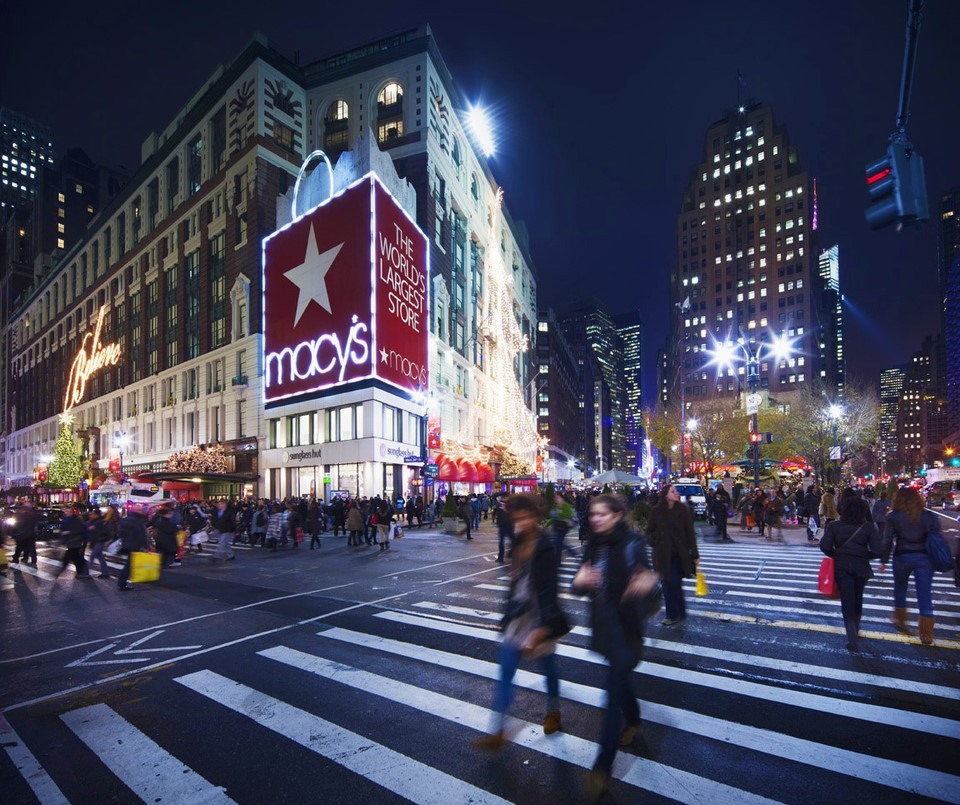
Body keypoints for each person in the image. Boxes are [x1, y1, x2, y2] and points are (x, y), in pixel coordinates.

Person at [571, 494, 651, 801]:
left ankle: (602, 768)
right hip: (604, 628)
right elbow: (578, 584)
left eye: (602, 514)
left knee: (610, 694)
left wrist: (646, 585)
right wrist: (580, 582)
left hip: (626, 630)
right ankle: (633, 718)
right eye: (593, 514)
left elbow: (650, 583)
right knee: (620, 686)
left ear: (618, 515)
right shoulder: (594, 544)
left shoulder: (632, 544)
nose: (596, 519)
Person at [473, 495, 569, 752]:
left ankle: (553, 711)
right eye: (518, 518)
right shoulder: (517, 541)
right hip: (518, 617)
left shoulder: (546, 544)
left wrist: (543, 627)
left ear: (536, 517)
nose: (522, 523)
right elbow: (515, 583)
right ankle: (498, 730)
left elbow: (550, 588)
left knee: (549, 668)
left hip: (541, 617)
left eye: (526, 518)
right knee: (505, 672)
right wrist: (506, 614)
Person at [819, 497, 881, 652]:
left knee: (847, 600)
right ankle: (857, 625)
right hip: (861, 566)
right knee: (858, 597)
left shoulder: (834, 526)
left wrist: (835, 553)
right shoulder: (868, 528)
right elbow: (878, 550)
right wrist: (865, 555)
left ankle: (851, 635)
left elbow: (825, 546)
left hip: (841, 566)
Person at [881, 486, 940, 645]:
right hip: (924, 558)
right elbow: (936, 538)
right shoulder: (928, 516)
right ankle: (926, 634)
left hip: (902, 556)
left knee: (900, 588)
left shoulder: (893, 516)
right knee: (924, 594)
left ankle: (900, 620)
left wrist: (883, 561)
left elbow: (887, 540)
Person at [646, 483, 698, 627]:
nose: (676, 493)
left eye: (676, 491)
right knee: (667, 585)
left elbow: (690, 533)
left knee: (674, 583)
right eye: (673, 491)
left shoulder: (683, 510)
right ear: (666, 495)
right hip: (662, 554)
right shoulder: (657, 511)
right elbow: (649, 531)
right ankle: (673, 614)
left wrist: (695, 553)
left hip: (678, 554)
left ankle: (678, 613)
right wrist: (655, 540)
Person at [116, 507, 149, 591]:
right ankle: (122, 583)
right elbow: (141, 534)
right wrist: (145, 545)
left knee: (130, 563)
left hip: (127, 544)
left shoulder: (125, 519)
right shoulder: (138, 521)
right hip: (135, 544)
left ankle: (123, 582)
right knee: (129, 564)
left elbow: (120, 532)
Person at [57, 505, 91, 579]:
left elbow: (79, 530)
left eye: (68, 511)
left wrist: (68, 532)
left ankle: (59, 571)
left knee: (70, 557)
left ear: (71, 512)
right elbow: (63, 529)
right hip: (72, 542)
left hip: (76, 541)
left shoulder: (76, 519)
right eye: (65, 511)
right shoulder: (67, 519)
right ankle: (82, 573)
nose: (66, 512)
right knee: (76, 558)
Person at [10, 500, 40, 569]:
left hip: (21, 535)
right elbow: (35, 523)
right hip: (30, 534)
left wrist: (13, 534)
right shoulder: (32, 515)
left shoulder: (18, 515)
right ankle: (32, 559)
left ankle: (16, 558)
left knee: (19, 547)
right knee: (31, 547)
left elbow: (15, 525)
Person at [86, 508, 113, 578]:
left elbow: (98, 531)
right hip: (95, 541)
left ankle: (86, 572)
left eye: (93, 514)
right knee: (100, 557)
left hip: (99, 541)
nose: (92, 516)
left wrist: (93, 528)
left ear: (97, 515)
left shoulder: (100, 522)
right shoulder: (93, 521)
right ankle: (106, 573)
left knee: (92, 556)